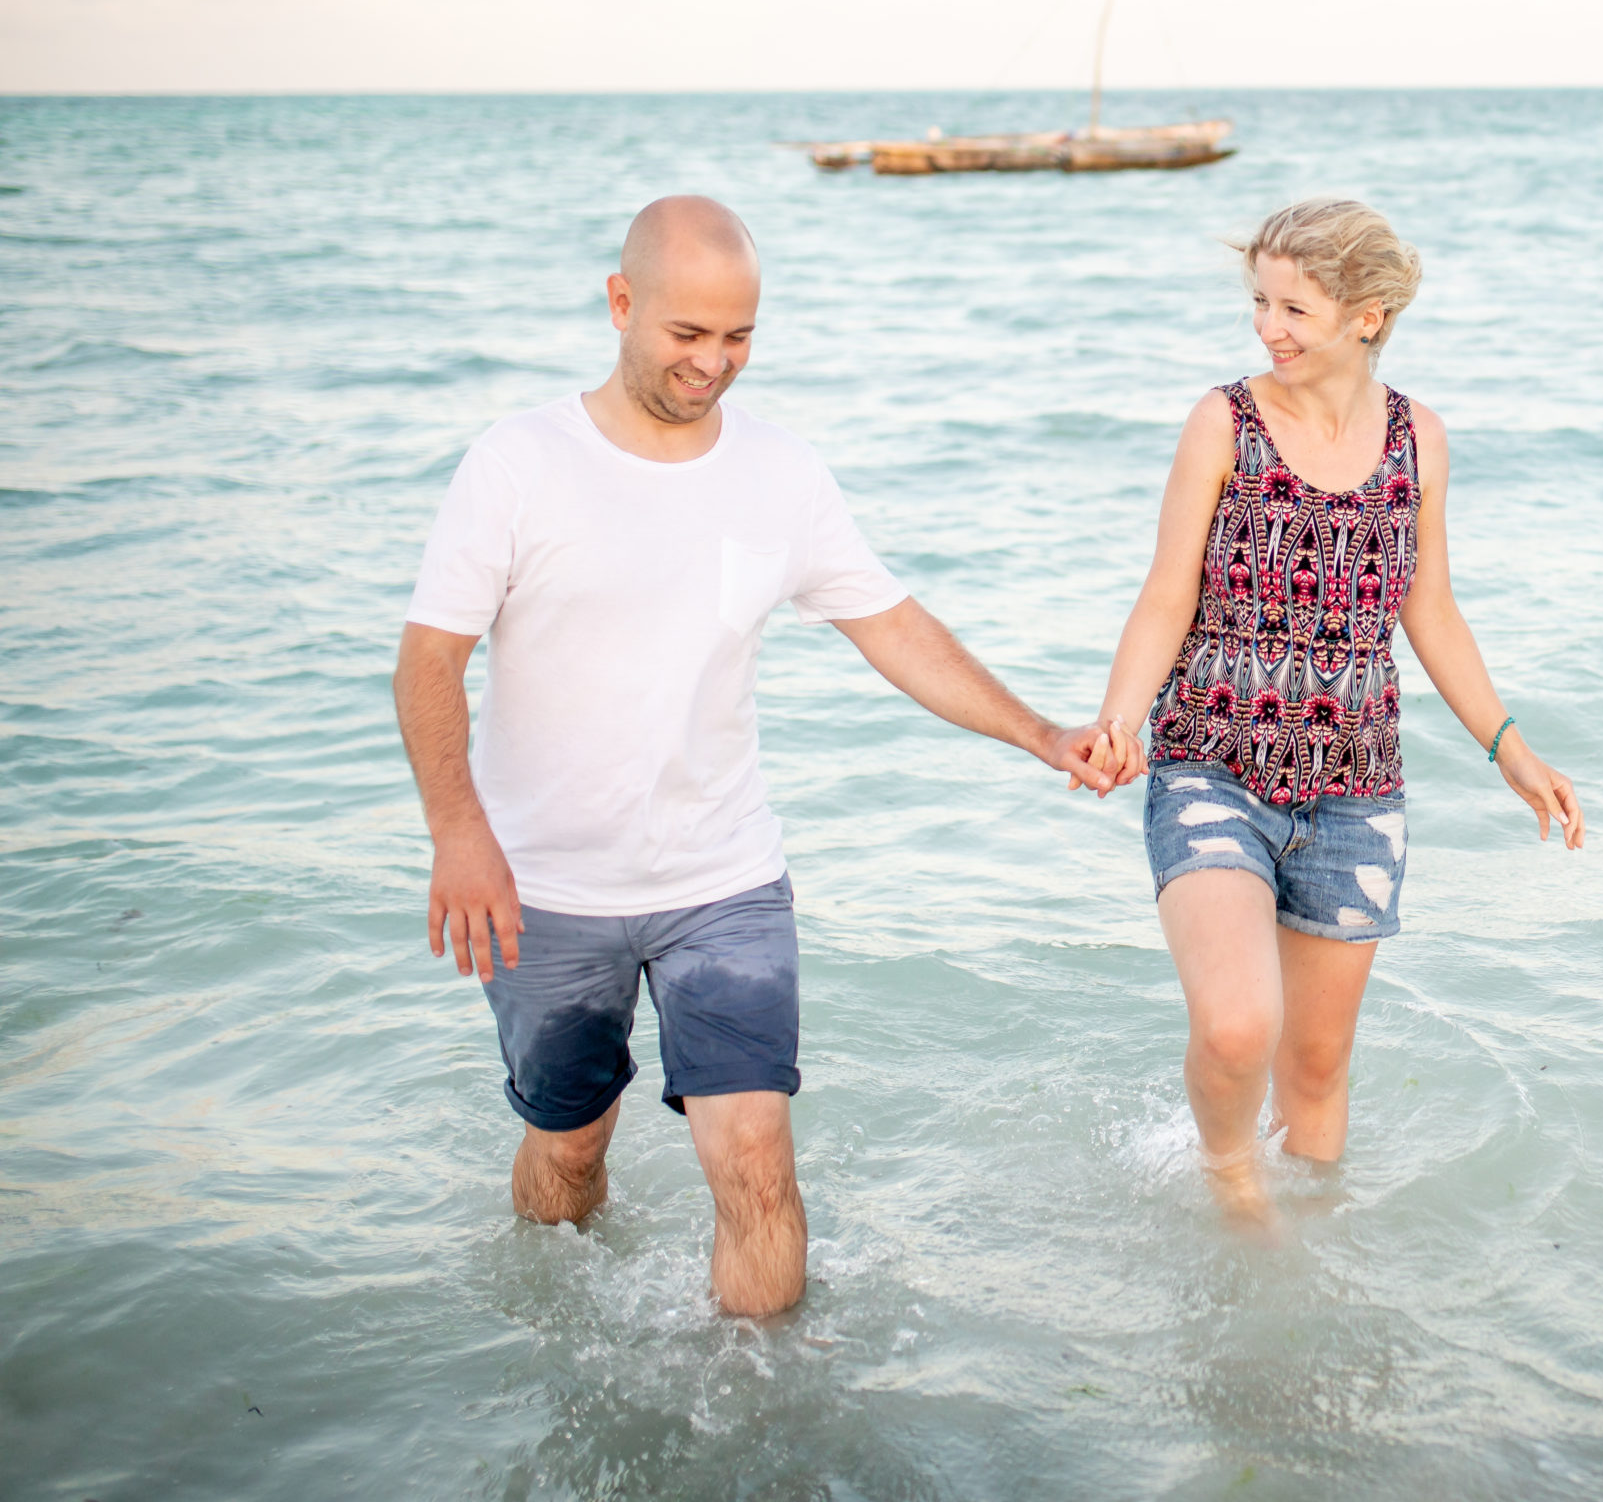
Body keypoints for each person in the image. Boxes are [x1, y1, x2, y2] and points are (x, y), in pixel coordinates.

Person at [394, 195, 1110, 1316]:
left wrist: (1039, 731)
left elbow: (892, 625)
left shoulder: (781, 472)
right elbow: (428, 660)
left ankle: (762, 1431)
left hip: (723, 879)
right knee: (570, 1149)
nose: (713, 363)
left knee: (757, 1158)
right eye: (688, 334)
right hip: (547, 889)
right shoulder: (519, 462)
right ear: (622, 303)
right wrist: (459, 831)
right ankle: (550, 1332)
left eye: (739, 338)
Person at [1089, 197, 1585, 1226]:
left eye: (1295, 308)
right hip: (1211, 761)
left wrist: (1510, 747)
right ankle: (1234, 1195)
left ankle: (1308, 1260)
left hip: (1356, 788)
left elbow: (1429, 606)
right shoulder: (1222, 420)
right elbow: (1165, 592)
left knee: (1315, 1065)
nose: (1269, 326)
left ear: (1366, 315)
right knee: (1236, 1026)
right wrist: (1120, 717)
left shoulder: (1420, 440)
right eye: (1260, 301)